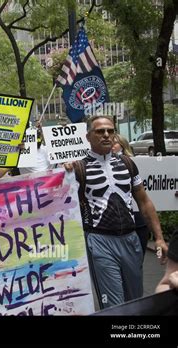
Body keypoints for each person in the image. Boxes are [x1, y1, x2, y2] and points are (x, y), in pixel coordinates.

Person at [67, 115, 167, 308]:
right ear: (88, 137)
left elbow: (144, 202)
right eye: (100, 131)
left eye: (110, 131)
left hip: (131, 240)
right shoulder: (78, 168)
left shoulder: (128, 164)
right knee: (114, 305)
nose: (106, 135)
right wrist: (63, 171)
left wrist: (160, 238)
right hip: (100, 241)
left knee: (136, 300)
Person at [111, 133, 149, 256]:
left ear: (123, 145)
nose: (112, 145)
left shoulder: (132, 164)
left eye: (115, 142)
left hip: (138, 222)